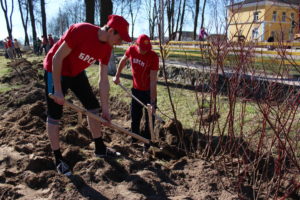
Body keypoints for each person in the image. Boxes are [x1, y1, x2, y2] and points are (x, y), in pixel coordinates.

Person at [43, 15, 131, 176]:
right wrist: (58, 90)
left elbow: (103, 81)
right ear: (111, 31)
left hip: (76, 72)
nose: (121, 43)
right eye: (120, 38)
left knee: (93, 107)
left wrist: (106, 110)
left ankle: (100, 148)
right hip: (55, 68)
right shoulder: (82, 30)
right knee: (55, 114)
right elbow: (56, 58)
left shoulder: (107, 48)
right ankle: (58, 159)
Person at [113, 34, 159, 146]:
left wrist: (152, 102)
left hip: (148, 92)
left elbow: (153, 80)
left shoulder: (153, 57)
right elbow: (123, 60)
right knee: (135, 116)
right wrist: (117, 75)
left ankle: (148, 143)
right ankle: (134, 140)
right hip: (136, 90)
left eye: (146, 49)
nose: (144, 51)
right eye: (142, 49)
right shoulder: (131, 50)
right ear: (136, 45)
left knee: (149, 119)